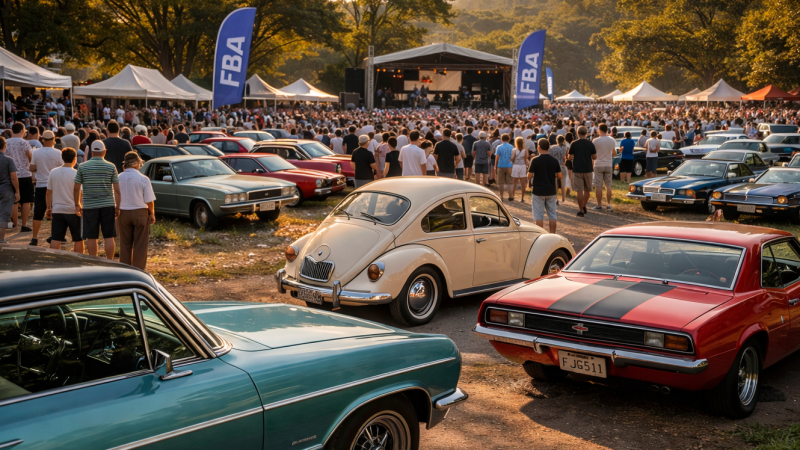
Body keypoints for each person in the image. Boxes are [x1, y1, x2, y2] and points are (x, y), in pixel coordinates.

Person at [74, 140, 121, 260]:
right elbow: (117, 190)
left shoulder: (82, 167)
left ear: (91, 153)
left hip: (89, 206)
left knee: (92, 237)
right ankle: (110, 261)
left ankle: (93, 261)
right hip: (108, 205)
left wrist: (77, 204)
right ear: (104, 152)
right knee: (109, 236)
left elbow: (76, 188)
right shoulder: (111, 166)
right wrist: (118, 206)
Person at [118, 151, 155, 269]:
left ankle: (125, 269)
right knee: (140, 244)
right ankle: (138, 269)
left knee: (125, 243)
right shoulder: (143, 178)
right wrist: (152, 213)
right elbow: (149, 199)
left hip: (123, 212)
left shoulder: (118, 177)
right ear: (137, 163)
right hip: (140, 212)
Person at [45, 147, 83, 253]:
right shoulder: (77, 173)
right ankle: (79, 262)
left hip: (57, 209)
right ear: (75, 159)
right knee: (78, 239)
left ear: (62, 158)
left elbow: (49, 192)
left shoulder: (53, 172)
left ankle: (55, 261)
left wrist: (49, 208)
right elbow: (81, 192)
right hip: (73, 210)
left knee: (56, 238)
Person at [29, 130, 63, 246]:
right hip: (55, 186)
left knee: (38, 212)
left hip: (41, 185)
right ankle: (55, 235)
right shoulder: (58, 153)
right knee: (56, 211)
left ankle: (34, 238)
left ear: (42, 139)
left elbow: (32, 168)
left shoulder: (36, 152)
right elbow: (62, 167)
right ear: (54, 140)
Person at [527, 139, 561, 233]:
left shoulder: (535, 160)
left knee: (539, 215)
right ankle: (552, 234)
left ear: (538, 147)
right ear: (549, 148)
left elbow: (529, 176)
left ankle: (540, 235)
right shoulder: (554, 161)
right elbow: (559, 176)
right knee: (552, 215)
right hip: (551, 190)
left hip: (538, 190)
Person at [6, 122, 33, 231]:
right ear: (22, 130)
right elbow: (30, 156)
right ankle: (24, 224)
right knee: (26, 200)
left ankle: (15, 223)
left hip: (11, 174)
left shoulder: (6, 142)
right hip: (25, 173)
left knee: (14, 200)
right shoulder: (25, 143)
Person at [568, 126, 596, 217]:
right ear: (586, 133)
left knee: (579, 190)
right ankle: (584, 205)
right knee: (587, 189)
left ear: (577, 133)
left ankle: (580, 210)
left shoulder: (574, 143)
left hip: (577, 169)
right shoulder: (590, 144)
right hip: (588, 168)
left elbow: (570, 157)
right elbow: (595, 157)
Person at [592, 123, 617, 210]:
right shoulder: (612, 140)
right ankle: (608, 204)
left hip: (598, 163)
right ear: (607, 130)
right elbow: (614, 152)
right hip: (608, 164)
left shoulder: (595, 141)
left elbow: (593, 154)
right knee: (608, 185)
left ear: (599, 130)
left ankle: (599, 204)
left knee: (598, 185)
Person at [0, 137, 19, 243]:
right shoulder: (8, 160)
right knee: (4, 215)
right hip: (6, 190)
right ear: (5, 146)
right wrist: (17, 191)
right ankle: (1, 239)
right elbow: (13, 177)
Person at [494, 134, 514, 200]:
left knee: (501, 182)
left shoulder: (499, 147)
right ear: (509, 139)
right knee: (510, 182)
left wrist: (495, 166)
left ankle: (501, 196)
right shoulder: (512, 147)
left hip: (501, 165)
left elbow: (497, 157)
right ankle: (511, 196)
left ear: (501, 139)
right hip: (509, 165)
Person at [510, 137, 529, 202]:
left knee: (514, 183)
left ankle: (512, 196)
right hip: (523, 166)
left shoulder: (514, 150)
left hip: (516, 165)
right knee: (523, 183)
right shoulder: (525, 150)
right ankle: (522, 198)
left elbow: (512, 158)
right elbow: (525, 159)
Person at [550, 135, 568, 203]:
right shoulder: (565, 148)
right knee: (563, 183)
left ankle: (555, 197)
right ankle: (563, 198)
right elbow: (565, 157)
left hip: (555, 166)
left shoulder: (552, 148)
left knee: (555, 183)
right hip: (563, 165)